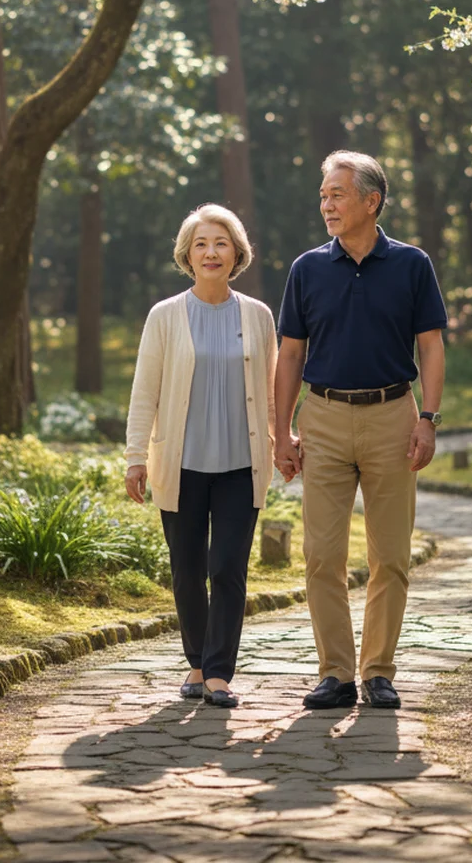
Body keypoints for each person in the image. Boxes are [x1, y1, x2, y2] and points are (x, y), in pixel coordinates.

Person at [274, 151, 447, 710]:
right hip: (321, 418)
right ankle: (335, 674)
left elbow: (431, 346)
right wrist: (281, 432)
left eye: (337, 194)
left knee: (390, 554)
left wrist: (428, 417)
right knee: (321, 555)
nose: (326, 204)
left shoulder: (412, 265)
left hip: (393, 415)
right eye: (323, 195)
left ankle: (377, 672)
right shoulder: (306, 269)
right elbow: (290, 355)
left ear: (371, 201)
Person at [125, 204, 277, 709]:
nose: (211, 252)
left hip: (240, 465)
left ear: (237, 252)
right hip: (181, 465)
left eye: (220, 243)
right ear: (187, 255)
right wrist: (135, 457)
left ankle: (217, 674)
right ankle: (196, 662)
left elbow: (272, 393)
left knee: (228, 567)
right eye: (201, 244)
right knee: (187, 568)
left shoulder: (257, 316)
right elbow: (145, 392)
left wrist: (286, 441)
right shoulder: (165, 316)